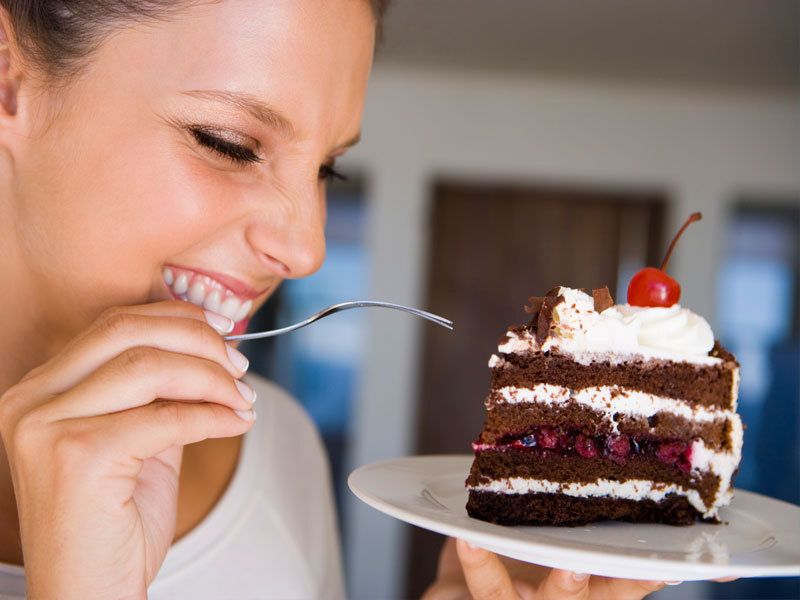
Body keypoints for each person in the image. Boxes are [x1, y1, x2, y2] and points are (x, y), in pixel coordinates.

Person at [0, 1, 731, 598]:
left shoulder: (281, 448)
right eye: (228, 143)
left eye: (328, 170)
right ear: (10, 80)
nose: (307, 248)